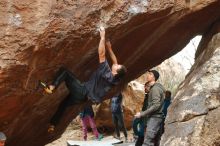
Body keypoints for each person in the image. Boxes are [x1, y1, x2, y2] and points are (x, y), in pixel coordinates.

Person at [44, 26, 127, 132]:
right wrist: (109, 47)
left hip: (82, 92)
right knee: (63, 104)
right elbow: (115, 62)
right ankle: (53, 124)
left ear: (115, 72)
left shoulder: (106, 72)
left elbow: (101, 54)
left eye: (117, 66)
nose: (116, 64)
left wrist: (102, 38)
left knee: (65, 72)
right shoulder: (116, 80)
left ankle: (52, 87)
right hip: (83, 99)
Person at [135, 70, 165, 146]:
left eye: (150, 74)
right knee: (156, 142)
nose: (148, 75)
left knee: (147, 142)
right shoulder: (155, 88)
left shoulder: (155, 89)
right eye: (148, 73)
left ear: (154, 77)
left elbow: (155, 105)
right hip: (157, 118)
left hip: (154, 118)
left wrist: (142, 114)